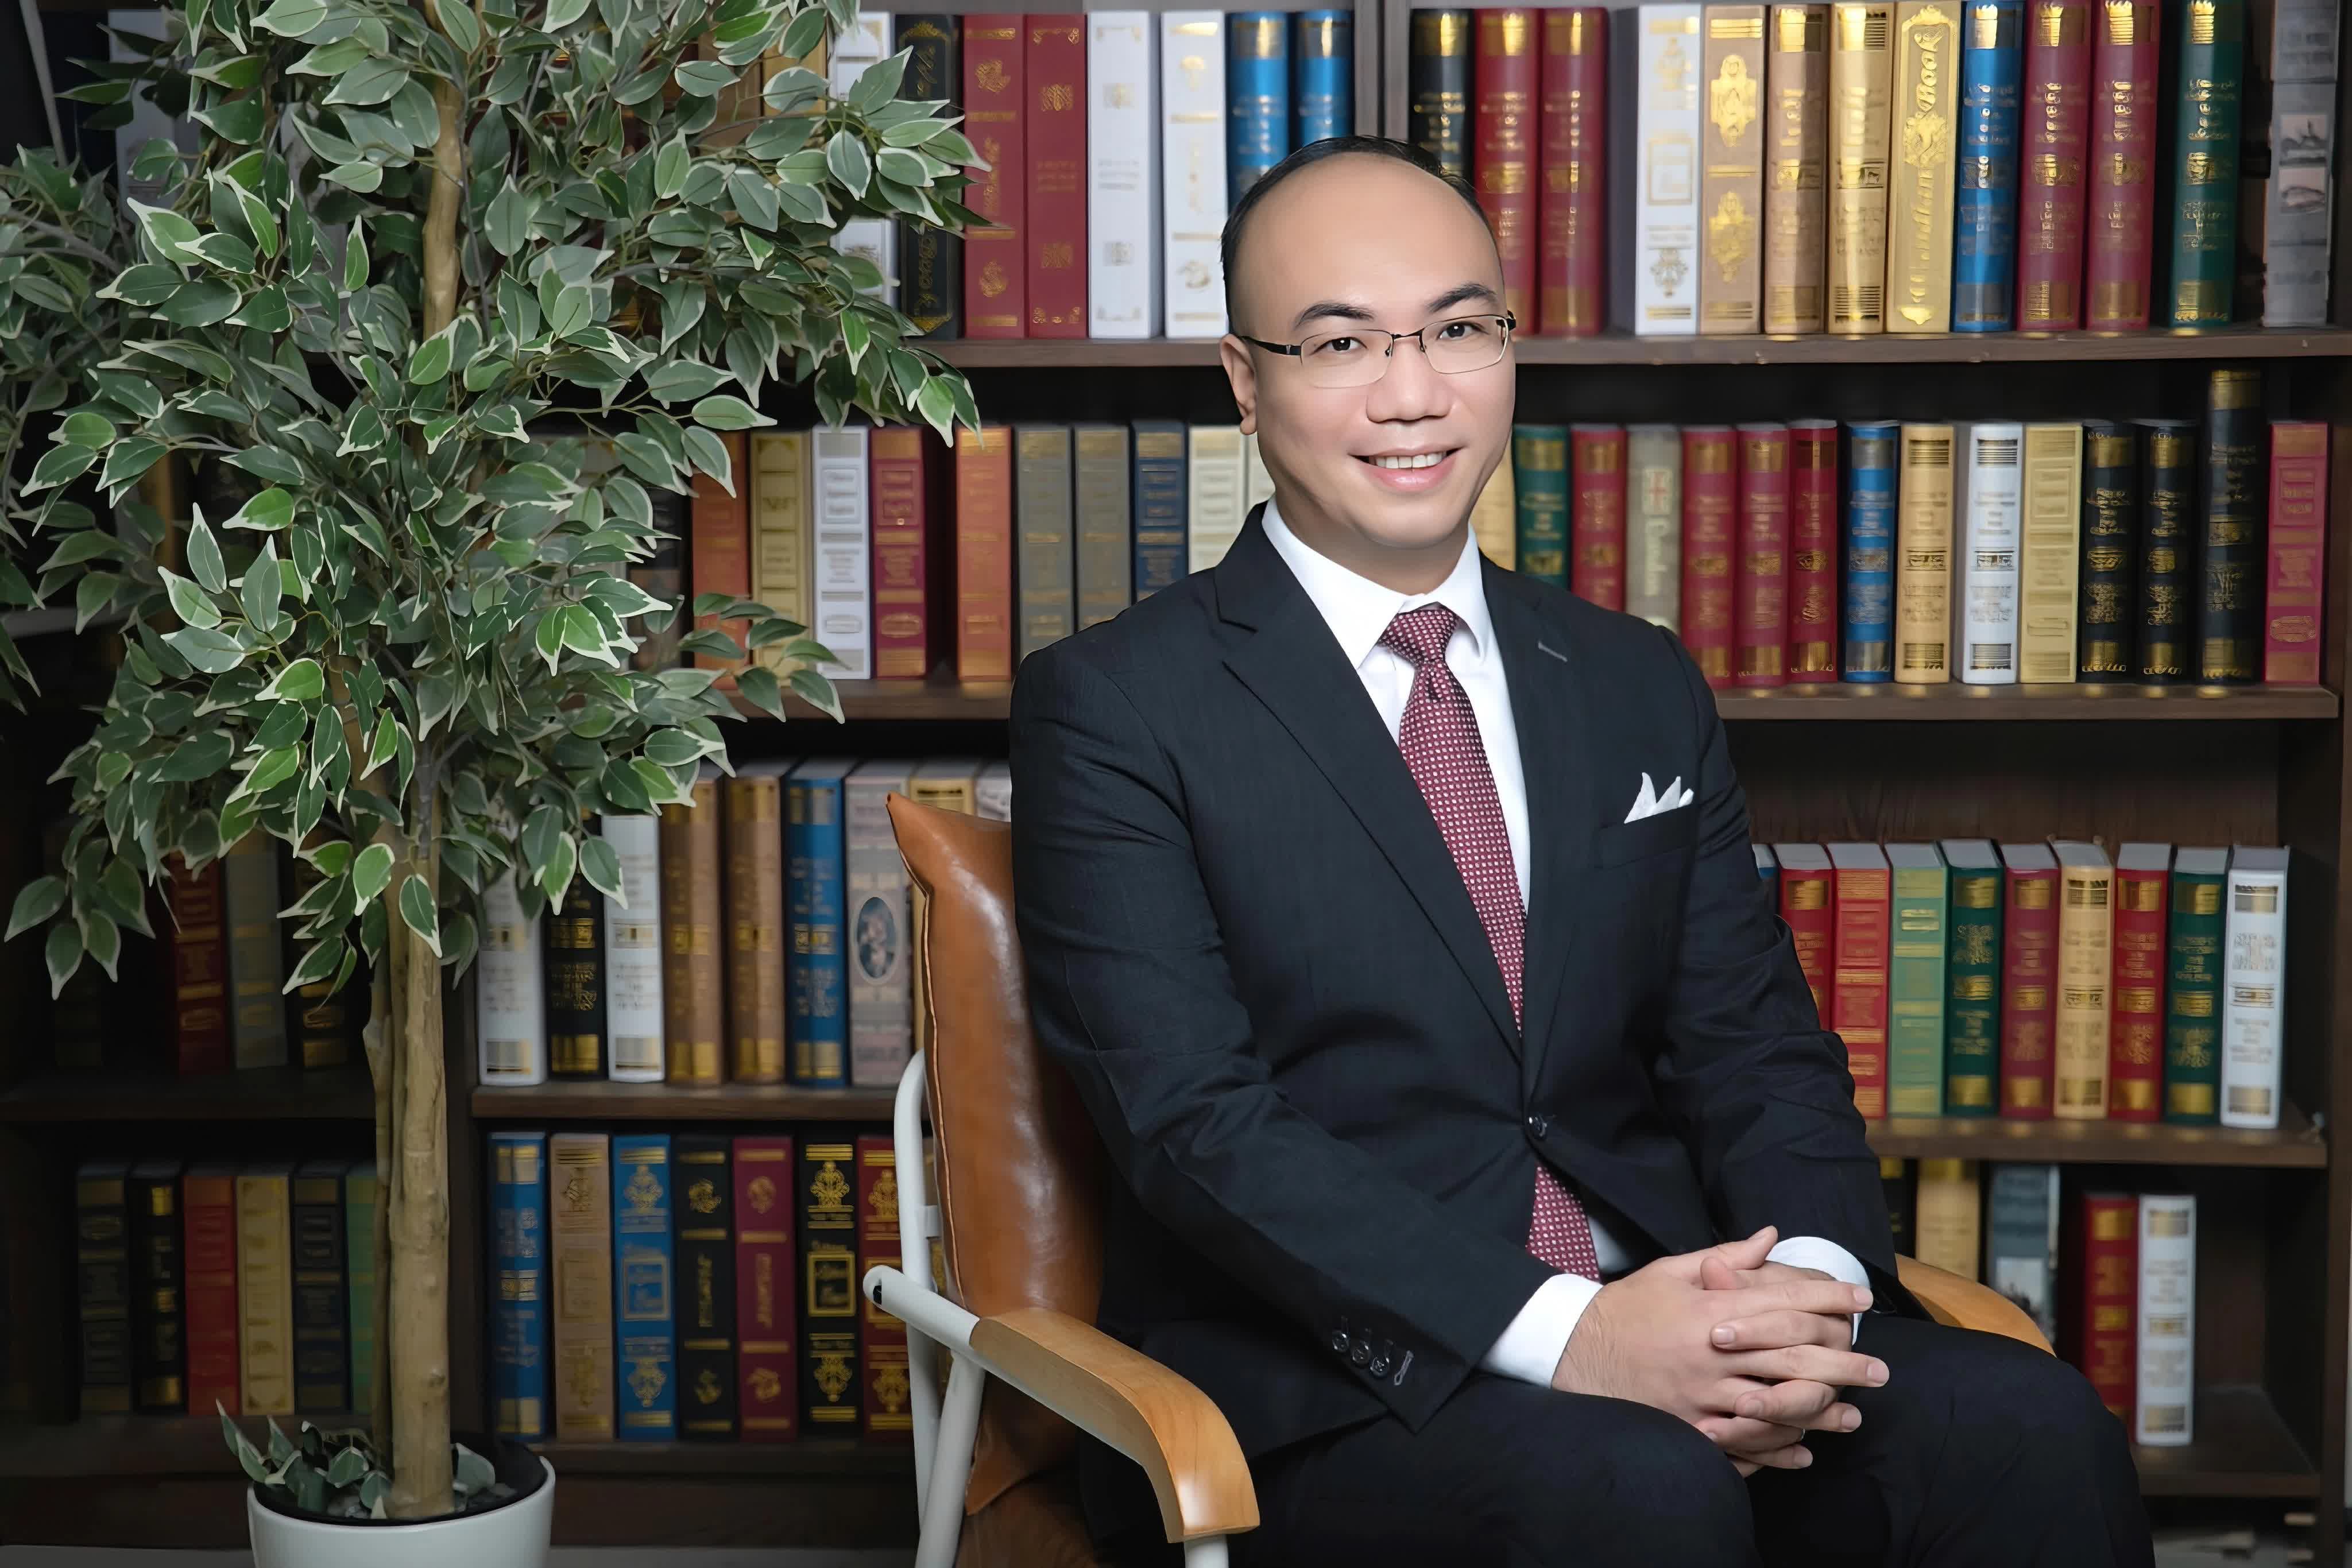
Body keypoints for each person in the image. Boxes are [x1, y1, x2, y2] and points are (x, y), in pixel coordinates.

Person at [1007, 135, 2152, 1567]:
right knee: (1635, 1486)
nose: (1413, 394)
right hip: (1321, 1390)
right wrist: (1577, 1336)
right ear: (1244, 380)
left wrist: (1796, 1304)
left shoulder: (1631, 679)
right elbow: (1194, 1125)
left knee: (2029, 1420)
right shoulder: (1114, 704)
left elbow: (1750, 1046)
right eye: (1341, 342)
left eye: (1458, 329)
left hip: (1673, 1310)